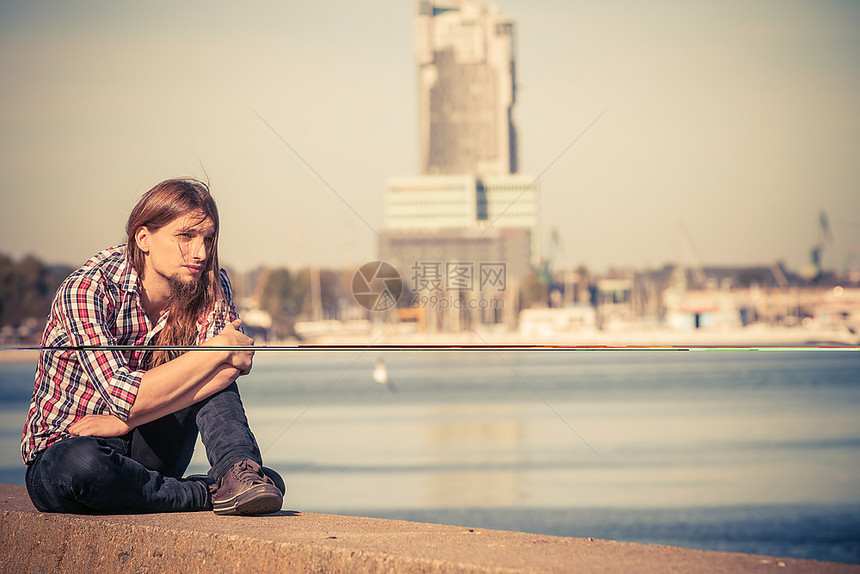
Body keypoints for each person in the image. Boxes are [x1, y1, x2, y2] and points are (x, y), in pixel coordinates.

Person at [21, 178, 284, 515]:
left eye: (207, 238)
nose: (201, 252)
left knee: (209, 366)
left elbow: (231, 367)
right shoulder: (88, 290)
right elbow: (121, 397)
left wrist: (128, 421)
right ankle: (207, 493)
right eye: (186, 236)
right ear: (143, 238)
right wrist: (217, 349)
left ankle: (238, 469)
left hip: (151, 446)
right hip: (71, 448)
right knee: (82, 465)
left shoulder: (210, 283)